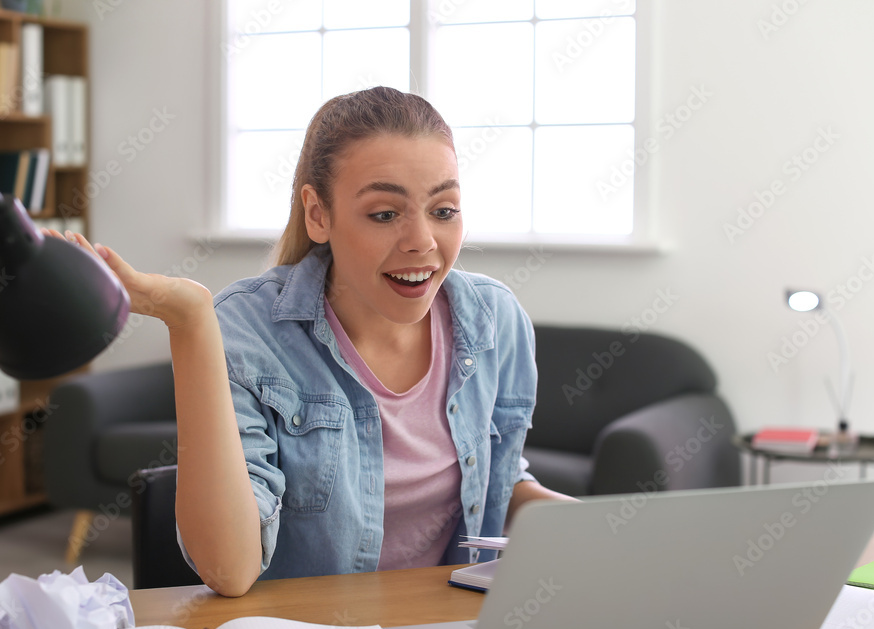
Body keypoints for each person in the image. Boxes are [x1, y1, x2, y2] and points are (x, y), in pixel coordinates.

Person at [51, 87, 574, 597]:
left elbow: (499, 483)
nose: (422, 241)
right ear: (318, 214)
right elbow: (229, 570)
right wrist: (190, 322)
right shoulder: (246, 331)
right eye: (385, 214)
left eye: (443, 210)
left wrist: (593, 528)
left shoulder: (494, 320)